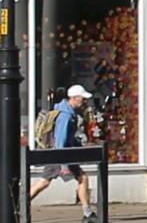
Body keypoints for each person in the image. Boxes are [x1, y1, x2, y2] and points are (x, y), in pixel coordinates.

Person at [34, 84, 100, 215]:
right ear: (74, 98)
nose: (84, 101)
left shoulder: (68, 113)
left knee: (45, 182)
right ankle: (87, 214)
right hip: (61, 155)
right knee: (80, 178)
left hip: (64, 154)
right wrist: (64, 164)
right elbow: (60, 139)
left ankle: (19, 205)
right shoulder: (66, 116)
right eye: (82, 98)